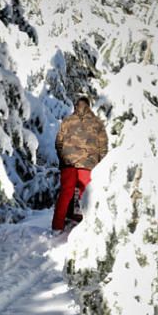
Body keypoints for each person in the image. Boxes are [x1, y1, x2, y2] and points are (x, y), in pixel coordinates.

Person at [52, 96, 108, 232]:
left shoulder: (67, 121)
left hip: (68, 164)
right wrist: (99, 163)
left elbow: (58, 143)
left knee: (65, 194)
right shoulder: (97, 123)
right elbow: (104, 147)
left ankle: (57, 226)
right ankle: (85, 228)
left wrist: (63, 159)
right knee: (86, 195)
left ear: (76, 106)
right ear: (89, 106)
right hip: (88, 165)